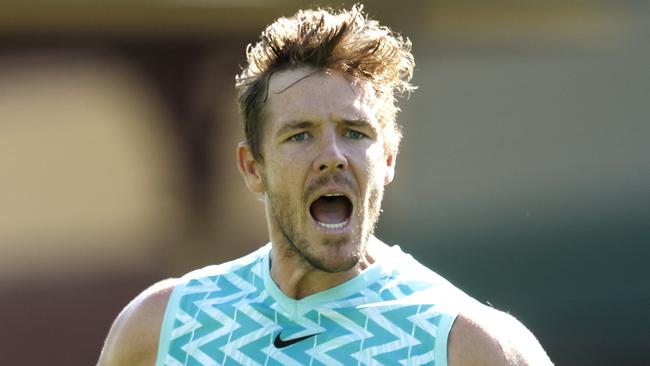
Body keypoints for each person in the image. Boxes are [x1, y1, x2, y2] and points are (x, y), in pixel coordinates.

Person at [98, 5, 552, 366]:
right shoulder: (163, 330)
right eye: (300, 134)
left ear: (388, 159)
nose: (333, 155)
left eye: (355, 132)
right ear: (253, 166)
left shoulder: (469, 346)